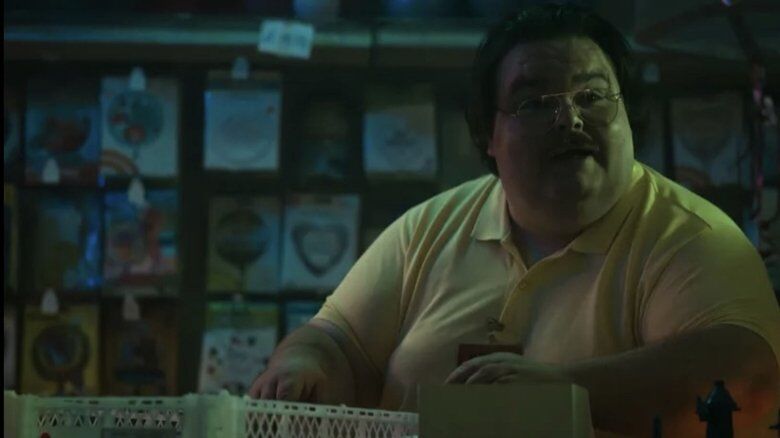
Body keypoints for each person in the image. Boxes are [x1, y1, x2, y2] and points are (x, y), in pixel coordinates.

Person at [249, 4, 780, 436]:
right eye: (534, 103)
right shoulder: (427, 229)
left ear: (627, 115)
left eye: (592, 96)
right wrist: (302, 365)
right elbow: (335, 341)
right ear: (488, 135)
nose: (570, 118)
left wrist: (565, 394)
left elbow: (748, 381)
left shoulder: (691, 237)